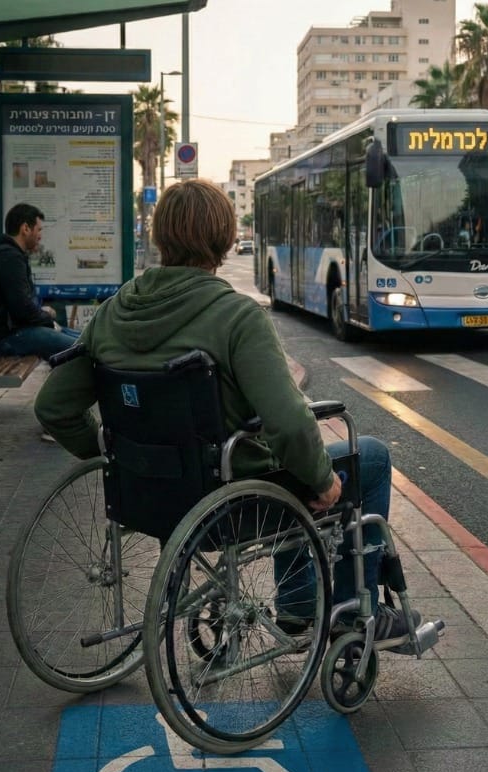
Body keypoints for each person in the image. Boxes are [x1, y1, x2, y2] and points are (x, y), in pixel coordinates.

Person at [34, 179, 419, 642]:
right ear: (222, 239)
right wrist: (322, 480)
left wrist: (117, 452)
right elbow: (289, 423)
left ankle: (299, 606)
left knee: (289, 461)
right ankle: (355, 615)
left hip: (142, 496)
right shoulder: (237, 317)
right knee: (366, 458)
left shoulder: (114, 312)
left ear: (160, 238)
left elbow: (53, 407)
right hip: (230, 505)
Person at [0, 203, 78, 358]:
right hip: (4, 339)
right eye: (39, 230)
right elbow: (22, 308)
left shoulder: (4, 254)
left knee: (82, 339)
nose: (40, 236)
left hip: (5, 335)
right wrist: (47, 318)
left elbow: (19, 306)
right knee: (83, 347)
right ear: (25, 228)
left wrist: (44, 318)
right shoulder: (9, 259)